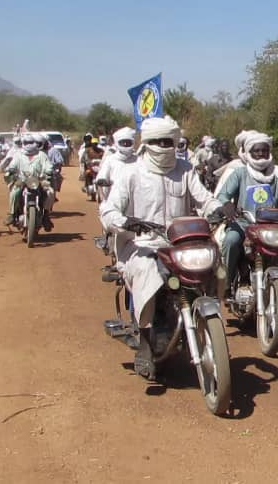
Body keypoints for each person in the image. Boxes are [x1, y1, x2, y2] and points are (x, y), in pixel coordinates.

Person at [99, 116, 222, 379]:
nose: (165, 147)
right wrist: (126, 222)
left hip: (181, 242)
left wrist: (219, 208)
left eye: (170, 142)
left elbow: (204, 198)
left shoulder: (185, 169)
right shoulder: (130, 172)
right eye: (159, 142)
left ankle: (209, 312)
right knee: (148, 273)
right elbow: (108, 209)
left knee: (213, 261)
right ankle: (144, 344)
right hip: (140, 244)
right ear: (147, 143)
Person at [215, 131, 278, 291]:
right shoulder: (240, 173)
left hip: (271, 228)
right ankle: (226, 285)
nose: (261, 153)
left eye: (264, 150)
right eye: (257, 150)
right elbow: (223, 194)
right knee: (230, 241)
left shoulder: (275, 176)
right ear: (249, 152)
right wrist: (227, 204)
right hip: (243, 225)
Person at [4, 133, 56, 231]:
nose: (29, 145)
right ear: (23, 143)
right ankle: (12, 214)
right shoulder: (18, 154)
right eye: (26, 142)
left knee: (50, 192)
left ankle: (46, 215)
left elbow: (48, 165)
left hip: (39, 180)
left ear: (35, 143)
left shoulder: (41, 155)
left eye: (31, 142)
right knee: (14, 192)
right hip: (22, 180)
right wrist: (10, 169)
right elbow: (13, 165)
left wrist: (48, 171)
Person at [96, 127, 137, 201]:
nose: (125, 144)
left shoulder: (138, 160)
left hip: (133, 203)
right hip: (113, 202)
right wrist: (103, 202)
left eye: (128, 142)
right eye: (123, 142)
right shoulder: (111, 160)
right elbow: (100, 181)